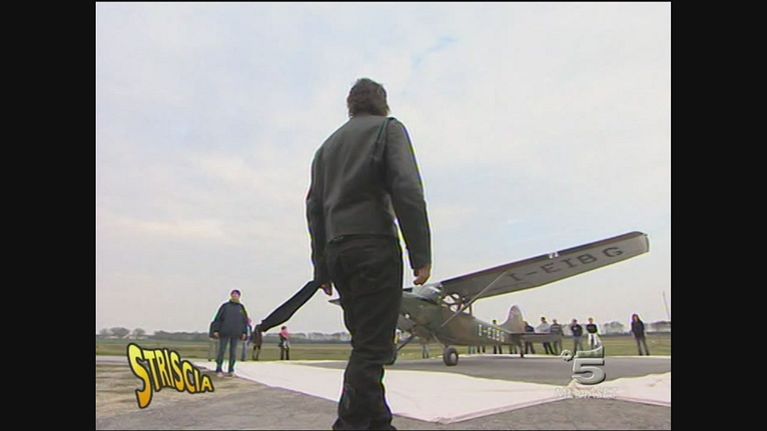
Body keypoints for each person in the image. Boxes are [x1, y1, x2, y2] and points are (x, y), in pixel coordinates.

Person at [306, 77, 432, 430]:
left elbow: (314, 209)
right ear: (382, 103)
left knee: (365, 343)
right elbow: (407, 188)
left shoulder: (325, 148)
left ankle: (379, 423)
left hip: (338, 253)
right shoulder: (389, 129)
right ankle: (348, 425)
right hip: (373, 246)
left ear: (351, 105)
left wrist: (321, 268)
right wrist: (420, 253)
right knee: (373, 349)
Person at [211, 289, 249, 377]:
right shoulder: (225, 306)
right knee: (222, 351)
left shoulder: (241, 308)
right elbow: (218, 318)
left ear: (239, 296)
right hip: (224, 332)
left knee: (233, 352)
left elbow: (244, 321)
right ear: (231, 295)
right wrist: (216, 330)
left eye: (236, 295)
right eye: (233, 295)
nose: (235, 296)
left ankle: (231, 369)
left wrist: (244, 332)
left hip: (236, 333)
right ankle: (219, 368)